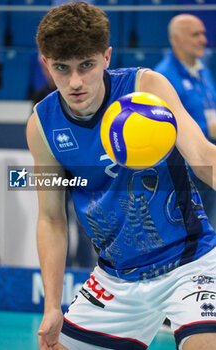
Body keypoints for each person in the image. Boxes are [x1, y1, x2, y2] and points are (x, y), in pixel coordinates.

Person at [26, 2, 216, 350]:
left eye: (87, 65)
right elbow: (52, 218)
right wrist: (52, 305)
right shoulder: (42, 126)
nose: (75, 82)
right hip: (116, 277)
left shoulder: (146, 88)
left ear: (107, 56)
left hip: (189, 261)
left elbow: (204, 155)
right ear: (45, 64)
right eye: (62, 69)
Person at [155, 14, 216, 230]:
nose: (203, 40)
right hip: (188, 172)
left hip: (208, 161)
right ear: (177, 39)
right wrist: (207, 129)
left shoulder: (202, 69)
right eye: (195, 35)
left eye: (203, 34)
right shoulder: (163, 77)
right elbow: (164, 128)